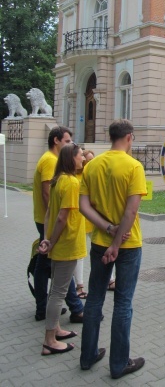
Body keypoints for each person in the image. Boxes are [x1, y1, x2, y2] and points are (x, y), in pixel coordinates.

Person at [79, 119, 147, 379]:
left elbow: (84, 206)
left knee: (95, 299)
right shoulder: (133, 166)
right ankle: (119, 364)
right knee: (123, 303)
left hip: (99, 241)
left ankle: (87, 356)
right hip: (127, 245)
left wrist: (107, 229)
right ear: (129, 137)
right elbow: (131, 211)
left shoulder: (92, 165)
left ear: (111, 137)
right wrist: (117, 242)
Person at [39, 144, 87, 356]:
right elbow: (61, 217)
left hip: (58, 243)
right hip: (66, 244)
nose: (83, 159)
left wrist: (46, 238)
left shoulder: (57, 180)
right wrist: (52, 241)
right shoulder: (71, 182)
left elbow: (49, 212)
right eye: (80, 156)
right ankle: (49, 341)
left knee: (56, 290)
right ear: (71, 159)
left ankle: (56, 329)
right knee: (58, 292)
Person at [32, 126, 84, 323]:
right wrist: (51, 236)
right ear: (56, 141)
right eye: (67, 141)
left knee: (51, 268)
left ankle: (53, 307)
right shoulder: (51, 162)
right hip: (53, 225)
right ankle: (63, 309)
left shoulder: (58, 172)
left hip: (49, 223)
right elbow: (48, 197)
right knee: (56, 270)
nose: (70, 144)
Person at [74, 149, 95, 299]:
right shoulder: (75, 178)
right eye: (87, 160)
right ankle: (79, 286)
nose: (89, 163)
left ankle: (110, 280)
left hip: (93, 221)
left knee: (100, 250)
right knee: (80, 255)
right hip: (80, 220)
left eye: (92, 161)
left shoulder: (92, 177)